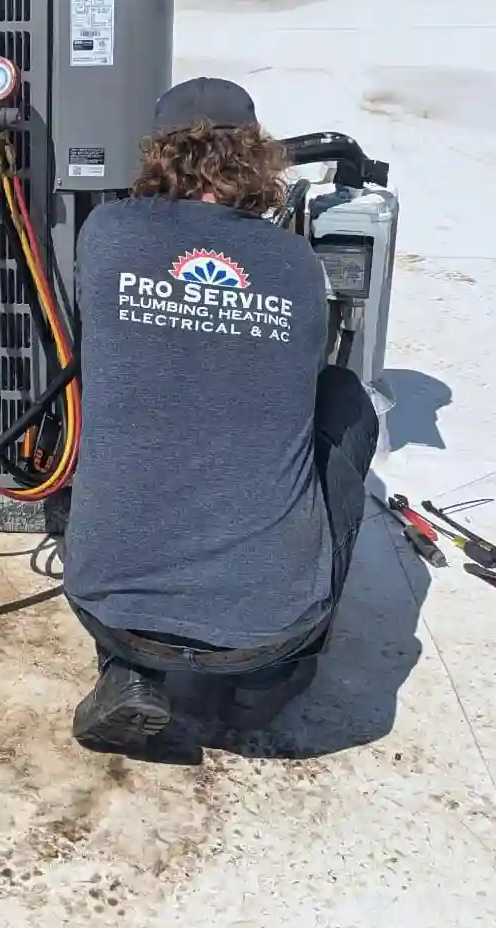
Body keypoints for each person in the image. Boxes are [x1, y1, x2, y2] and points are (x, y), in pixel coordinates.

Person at [64, 77, 379, 756]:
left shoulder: (107, 232)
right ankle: (271, 677)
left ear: (158, 153)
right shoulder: (295, 262)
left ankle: (130, 672)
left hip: (109, 608)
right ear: (256, 156)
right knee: (346, 401)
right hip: (269, 625)